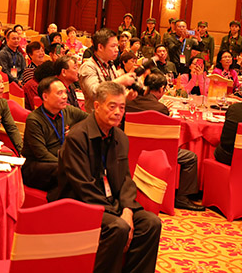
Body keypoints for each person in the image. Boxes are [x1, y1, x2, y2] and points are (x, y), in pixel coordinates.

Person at [48, 81, 162, 273]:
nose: (118, 112)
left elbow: (125, 180)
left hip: (112, 203)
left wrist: (127, 209)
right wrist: (117, 212)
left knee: (151, 223)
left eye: (122, 107)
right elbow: (83, 187)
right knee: (119, 227)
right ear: (97, 106)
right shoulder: (77, 137)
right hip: (79, 203)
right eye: (112, 106)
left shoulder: (120, 137)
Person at [125, 72, 204, 211]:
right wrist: (166, 113)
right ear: (162, 88)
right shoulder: (160, 108)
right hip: (156, 153)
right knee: (191, 158)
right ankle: (182, 198)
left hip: (130, 149)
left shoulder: (129, 102)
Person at [22, 77, 88, 191]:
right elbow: (42, 154)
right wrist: (67, 164)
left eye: (65, 92)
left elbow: (92, 121)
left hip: (61, 161)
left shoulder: (68, 111)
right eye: (59, 93)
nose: (65, 96)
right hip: (38, 166)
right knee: (68, 171)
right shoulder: (34, 120)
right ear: (45, 96)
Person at [78, 28, 136, 105]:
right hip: (97, 111)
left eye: (117, 46)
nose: (117, 50)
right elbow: (94, 93)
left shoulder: (110, 64)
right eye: (113, 46)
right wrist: (119, 81)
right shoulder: (88, 66)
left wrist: (127, 95)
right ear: (100, 47)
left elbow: (114, 91)